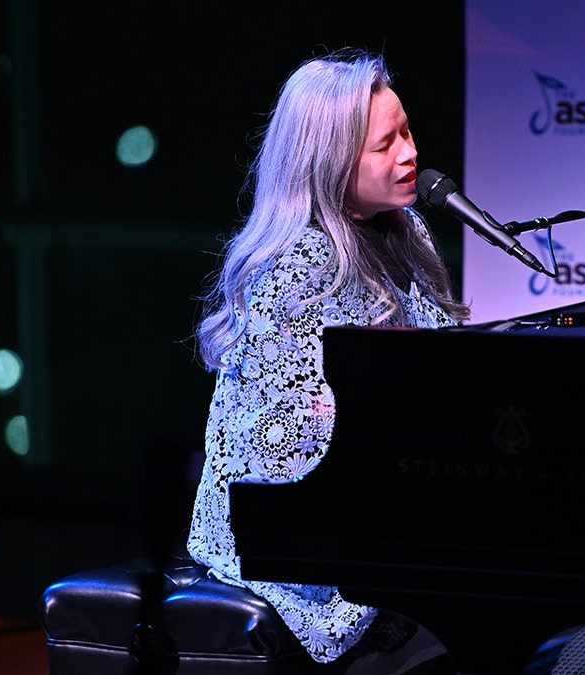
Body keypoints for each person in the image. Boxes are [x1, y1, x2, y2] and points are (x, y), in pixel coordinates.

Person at [186, 49, 470, 673]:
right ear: (330, 161)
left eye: (406, 131)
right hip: (296, 555)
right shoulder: (295, 262)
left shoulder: (406, 229)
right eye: (383, 144)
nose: (408, 154)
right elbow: (283, 448)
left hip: (385, 507)